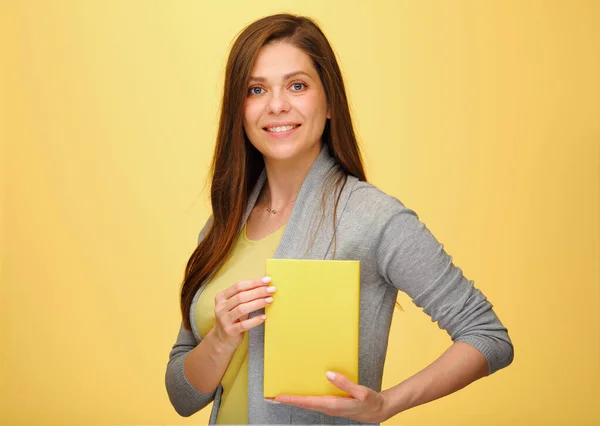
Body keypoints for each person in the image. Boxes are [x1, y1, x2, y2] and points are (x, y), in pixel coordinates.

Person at [165, 13, 514, 425]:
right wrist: (221, 341)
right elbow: (182, 397)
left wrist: (387, 404)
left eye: (297, 85)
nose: (276, 105)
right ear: (239, 111)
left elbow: (488, 336)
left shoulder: (371, 216)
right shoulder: (221, 228)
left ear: (329, 102)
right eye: (255, 89)